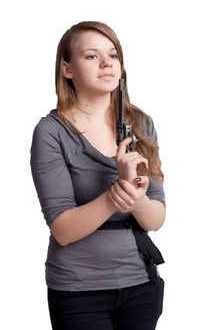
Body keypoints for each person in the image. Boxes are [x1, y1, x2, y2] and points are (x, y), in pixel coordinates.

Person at [30, 21, 166, 330]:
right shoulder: (51, 133)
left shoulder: (140, 124)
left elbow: (155, 219)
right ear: (67, 69)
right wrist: (115, 194)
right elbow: (63, 229)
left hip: (140, 285)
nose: (106, 63)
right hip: (78, 291)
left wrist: (137, 199)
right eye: (91, 56)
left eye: (113, 55)